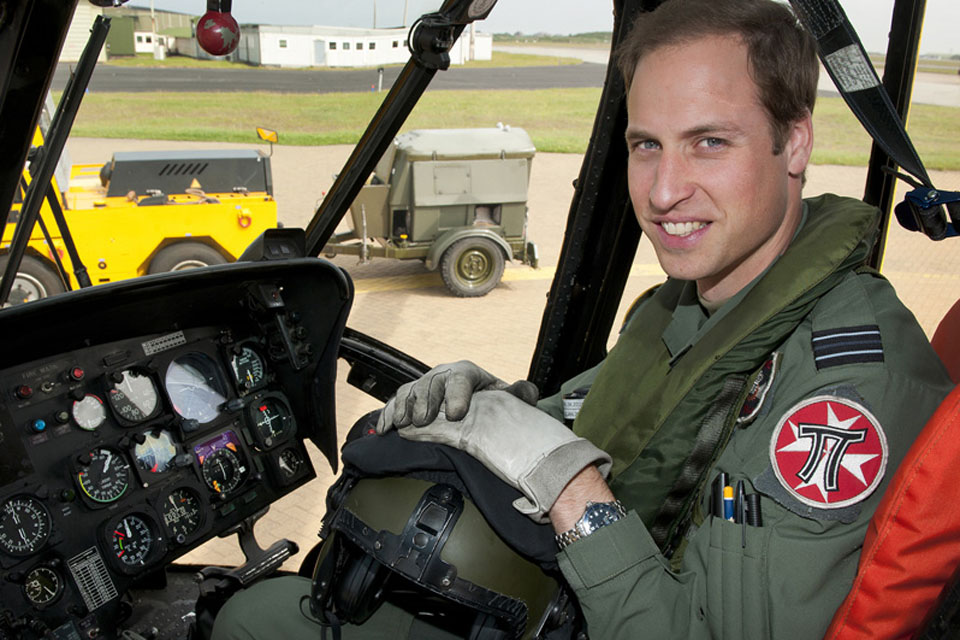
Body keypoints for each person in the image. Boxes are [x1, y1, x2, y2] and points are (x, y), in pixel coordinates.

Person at [212, 0, 953, 638]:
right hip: (580, 598)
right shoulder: (700, 305)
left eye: (709, 142)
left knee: (252, 621)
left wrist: (571, 491)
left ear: (794, 142)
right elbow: (600, 410)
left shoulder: (840, 395)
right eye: (645, 145)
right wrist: (499, 401)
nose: (664, 192)